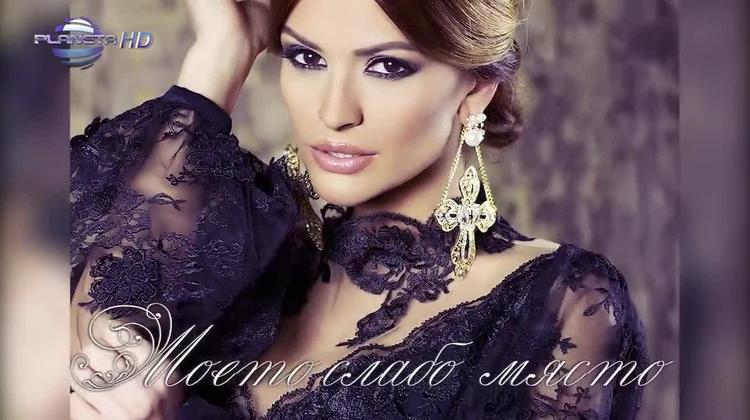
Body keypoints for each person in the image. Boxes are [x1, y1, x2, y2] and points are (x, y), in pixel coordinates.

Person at [69, 0, 650, 419]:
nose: (334, 112)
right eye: (306, 57)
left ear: (475, 88)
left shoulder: (563, 303)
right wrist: (222, 52)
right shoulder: (234, 254)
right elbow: (93, 342)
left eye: (387, 66)